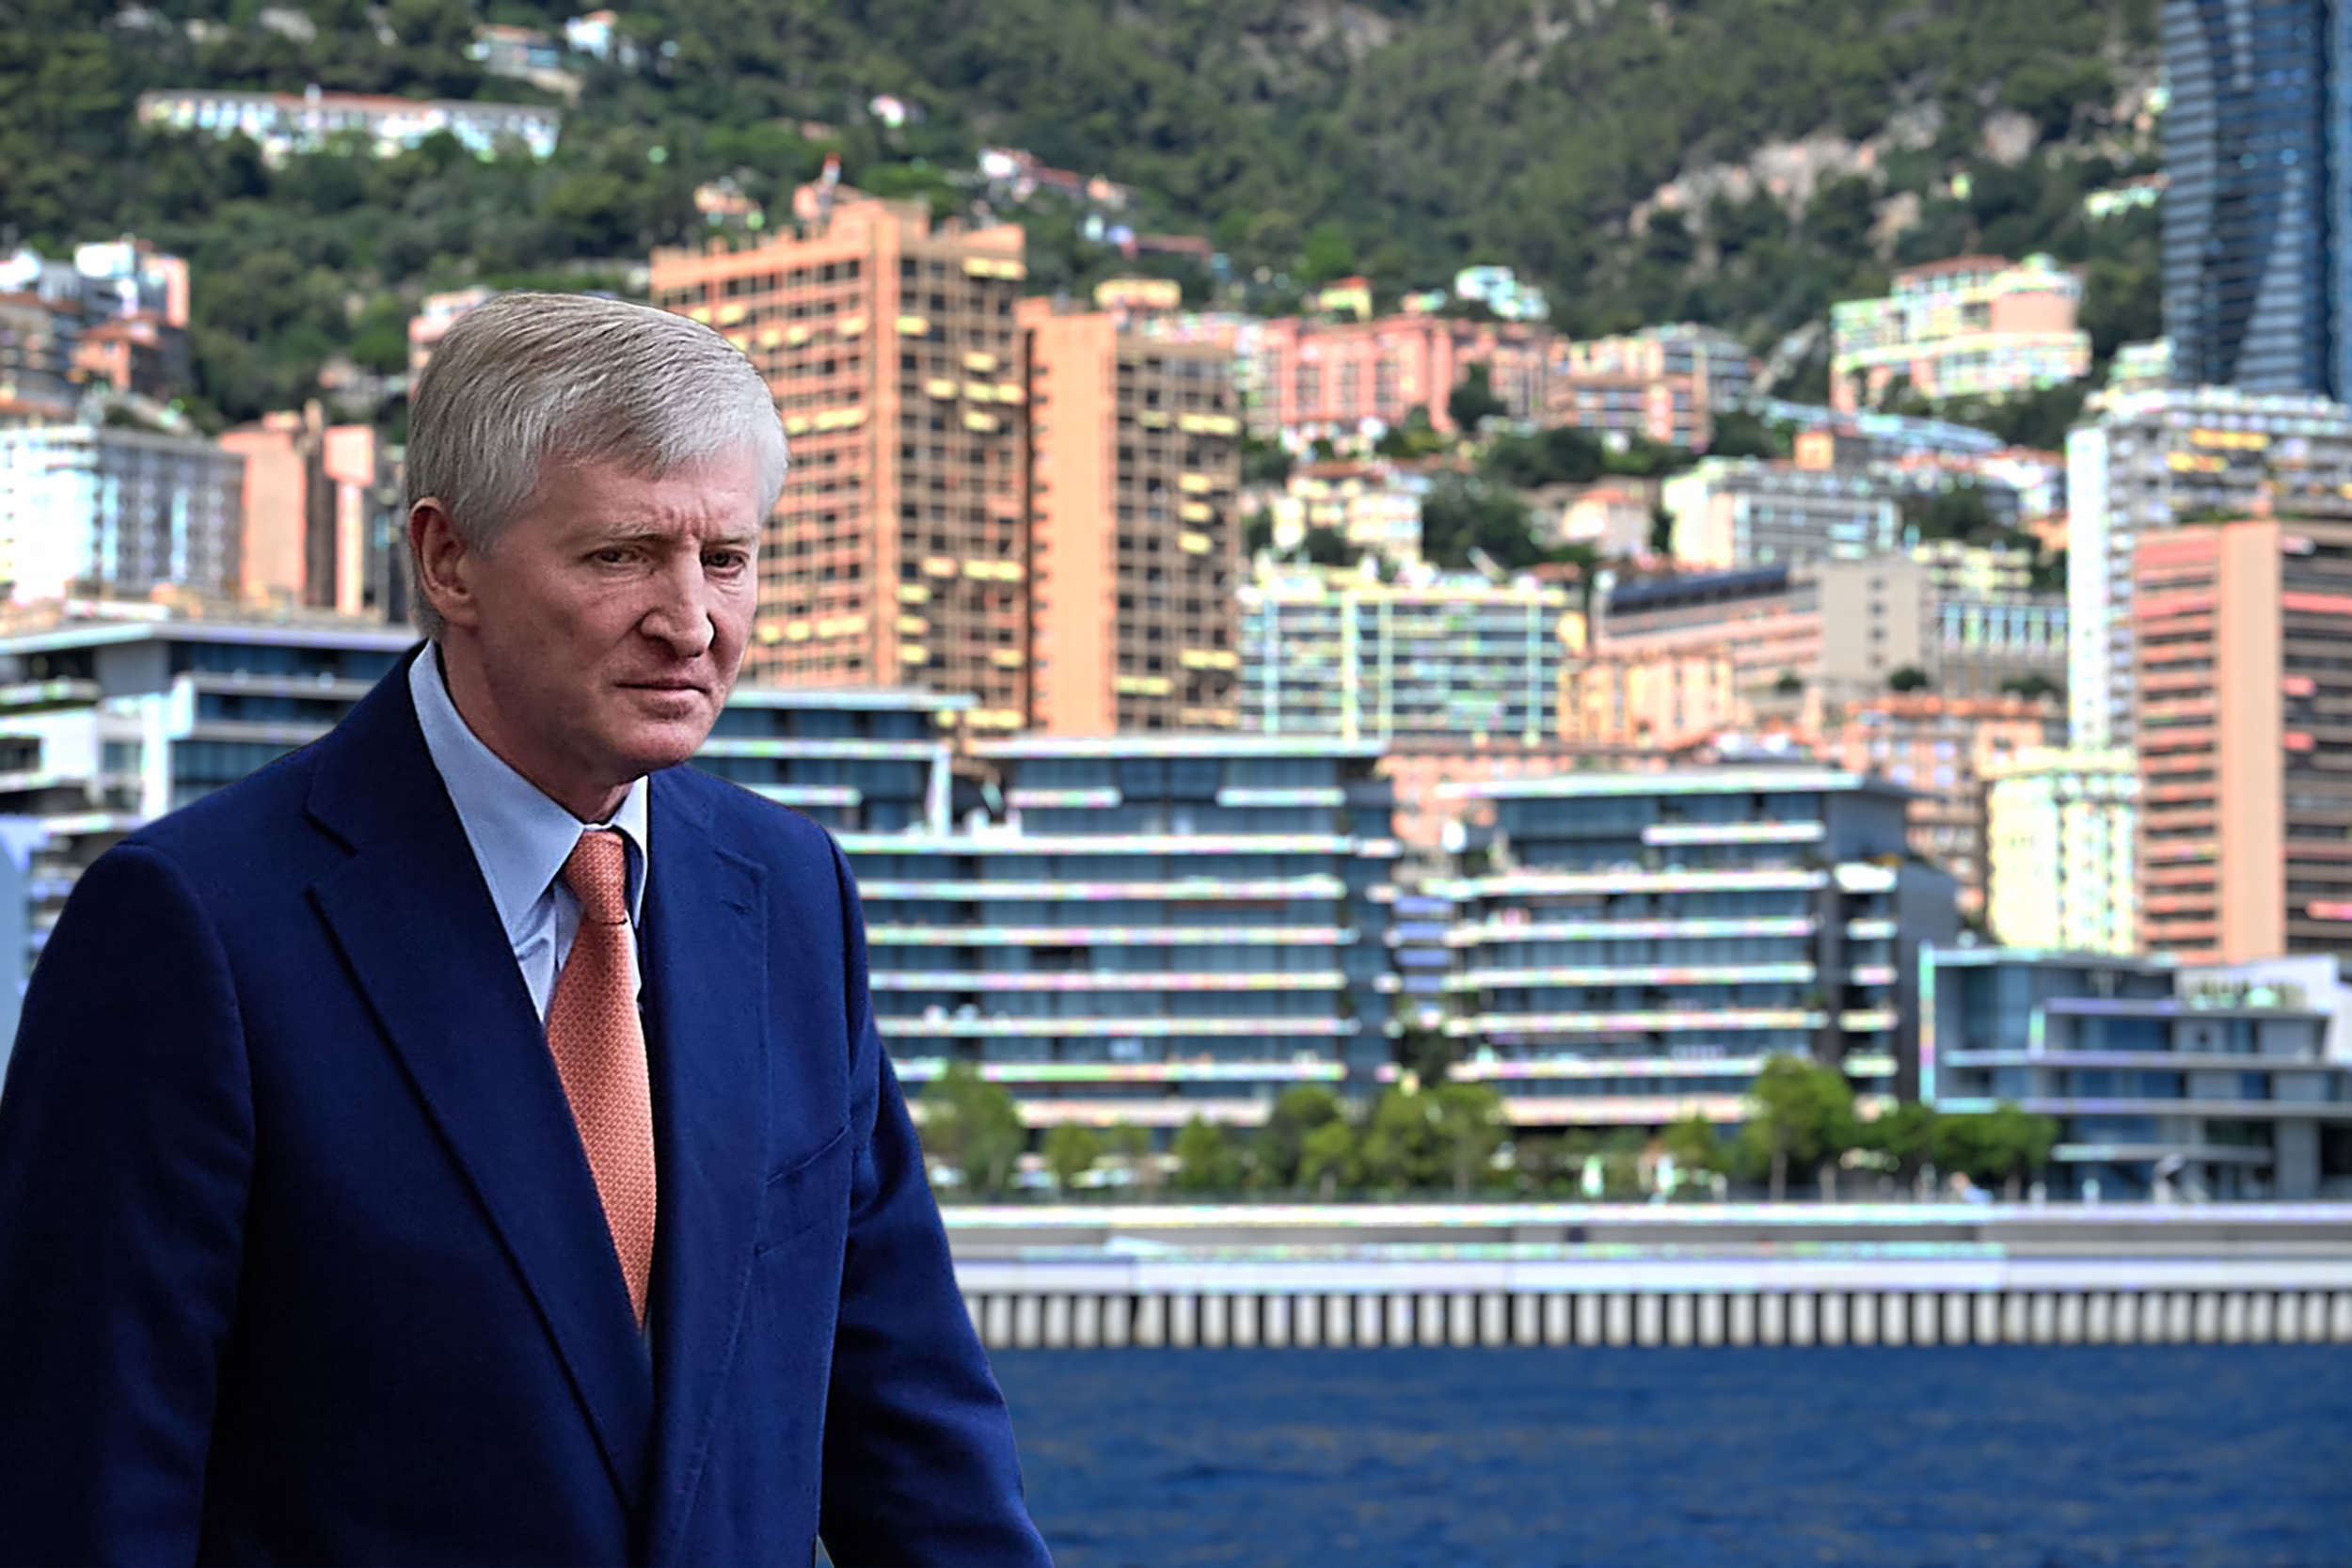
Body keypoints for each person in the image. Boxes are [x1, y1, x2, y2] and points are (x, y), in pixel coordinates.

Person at [0, 293, 1053, 1567]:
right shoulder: (192, 928)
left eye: (726, 558)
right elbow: (89, 1492)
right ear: (448, 561)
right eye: (620, 556)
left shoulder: (790, 893)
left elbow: (912, 1428)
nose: (691, 620)